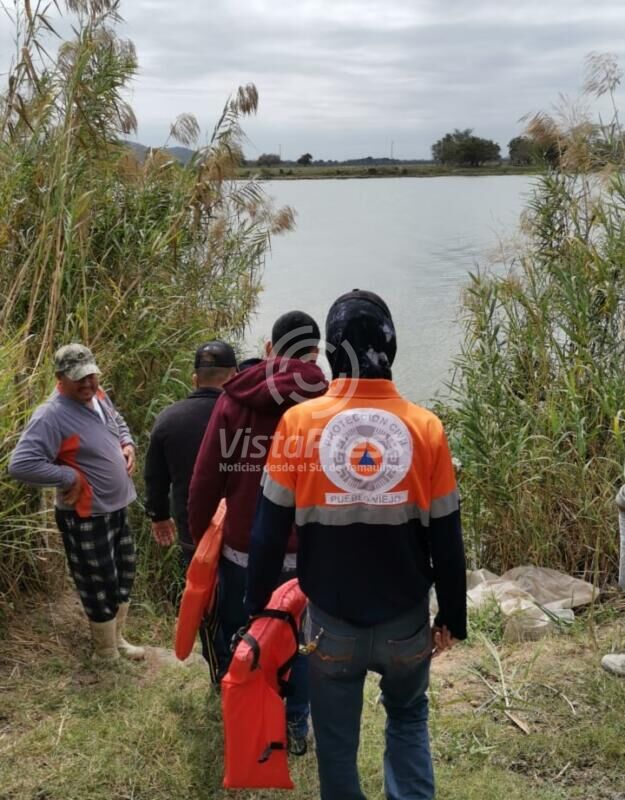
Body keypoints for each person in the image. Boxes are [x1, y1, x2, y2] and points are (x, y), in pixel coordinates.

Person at [245, 290, 468, 800]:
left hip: (331, 627)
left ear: (330, 351)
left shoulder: (299, 425)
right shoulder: (425, 428)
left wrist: (257, 604)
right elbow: (447, 536)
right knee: (409, 721)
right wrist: (452, 616)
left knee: (338, 746)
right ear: (391, 349)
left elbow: (267, 532)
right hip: (406, 624)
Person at [188, 310, 327, 752]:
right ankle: (293, 730)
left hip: (242, 551)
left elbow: (206, 478)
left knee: (240, 633)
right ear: (316, 354)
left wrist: (199, 540)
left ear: (269, 349)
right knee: (300, 644)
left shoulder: (235, 399)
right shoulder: (328, 403)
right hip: (307, 554)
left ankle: (244, 724)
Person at [9, 344, 144, 662]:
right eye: (77, 379)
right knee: (98, 580)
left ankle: (118, 639)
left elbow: (117, 420)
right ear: (59, 379)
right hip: (85, 513)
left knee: (124, 570)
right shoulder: (50, 415)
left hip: (116, 505)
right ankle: (105, 653)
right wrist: (69, 477)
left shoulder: (98, 396)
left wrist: (127, 443)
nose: (87, 384)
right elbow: (21, 464)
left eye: (90, 376)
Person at [143, 340, 237, 671]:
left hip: (193, 531)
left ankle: (217, 668)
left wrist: (159, 516)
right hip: (241, 530)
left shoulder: (169, 419)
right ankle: (247, 667)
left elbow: (154, 476)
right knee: (242, 600)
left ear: (195, 379)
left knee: (203, 599)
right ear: (234, 375)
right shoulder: (246, 417)